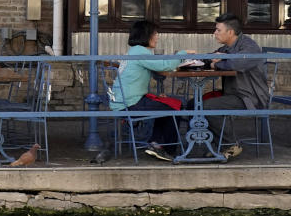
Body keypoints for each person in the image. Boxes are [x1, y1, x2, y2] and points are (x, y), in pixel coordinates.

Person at [109, 20, 194, 162]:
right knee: (176, 106)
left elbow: (157, 68)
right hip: (130, 104)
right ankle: (167, 149)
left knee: (168, 105)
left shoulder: (134, 51)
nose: (157, 36)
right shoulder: (140, 51)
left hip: (124, 102)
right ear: (146, 35)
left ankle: (156, 143)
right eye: (155, 33)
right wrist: (182, 53)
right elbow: (165, 66)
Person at [205, 12, 269, 160]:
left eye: (218, 30)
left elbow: (236, 64)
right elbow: (210, 57)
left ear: (230, 32)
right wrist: (205, 60)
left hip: (250, 98)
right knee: (193, 104)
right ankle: (216, 145)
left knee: (207, 106)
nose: (214, 33)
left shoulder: (249, 46)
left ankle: (230, 144)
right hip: (232, 95)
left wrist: (218, 63)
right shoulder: (227, 47)